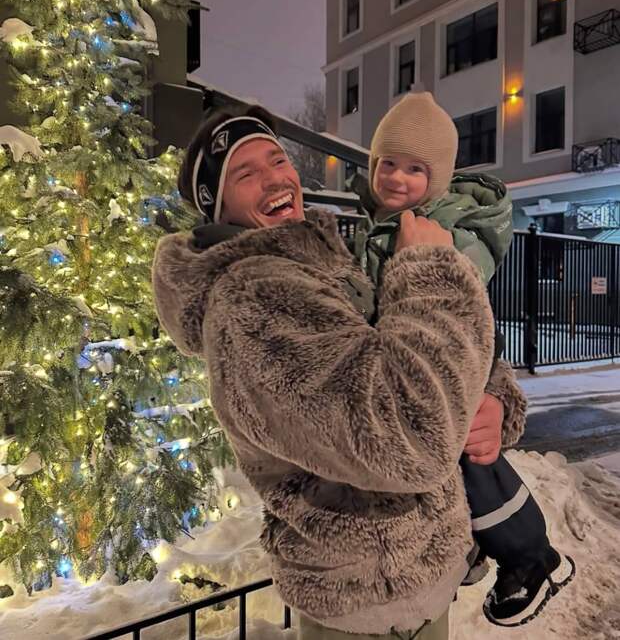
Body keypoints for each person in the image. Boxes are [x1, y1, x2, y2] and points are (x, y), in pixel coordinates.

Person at [151, 103, 528, 639]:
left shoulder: (320, 264)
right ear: (219, 207)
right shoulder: (252, 299)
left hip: (418, 576)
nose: (275, 178)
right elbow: (406, 439)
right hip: (365, 597)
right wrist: (430, 272)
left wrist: (491, 398)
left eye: (277, 160)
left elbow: (403, 348)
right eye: (245, 173)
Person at [349, 91, 575, 627]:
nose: (396, 178)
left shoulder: (444, 232)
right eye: (387, 163)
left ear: (439, 178)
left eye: (415, 169)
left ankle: (529, 557)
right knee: (461, 461)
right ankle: (482, 548)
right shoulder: (376, 223)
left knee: (472, 461)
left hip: (445, 365)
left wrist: (426, 262)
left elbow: (465, 313)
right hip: (411, 366)